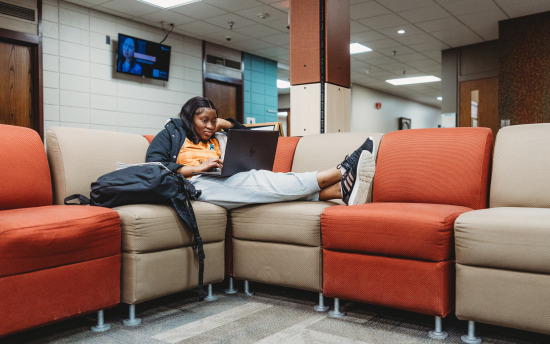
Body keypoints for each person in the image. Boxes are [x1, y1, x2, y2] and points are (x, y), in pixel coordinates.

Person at [146, 96, 375, 210]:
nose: (209, 126)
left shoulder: (216, 136)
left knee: (263, 182)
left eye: (213, 120)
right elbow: (153, 165)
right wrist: (195, 168)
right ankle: (339, 173)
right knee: (259, 179)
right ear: (189, 118)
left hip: (220, 181)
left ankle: (338, 191)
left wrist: (224, 123)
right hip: (192, 186)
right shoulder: (172, 133)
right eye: (203, 120)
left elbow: (249, 138)